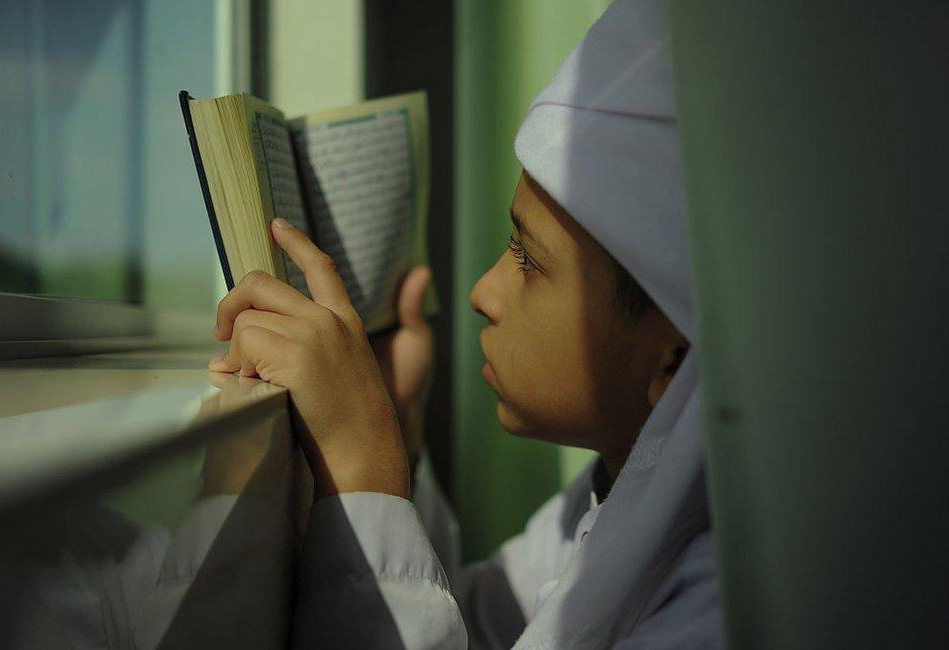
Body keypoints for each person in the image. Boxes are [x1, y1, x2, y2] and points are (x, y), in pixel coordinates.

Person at [208, 0, 722, 647]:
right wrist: (391, 424)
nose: (483, 293)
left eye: (529, 261)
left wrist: (361, 465)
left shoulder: (718, 614)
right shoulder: (609, 508)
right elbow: (475, 621)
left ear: (671, 357)